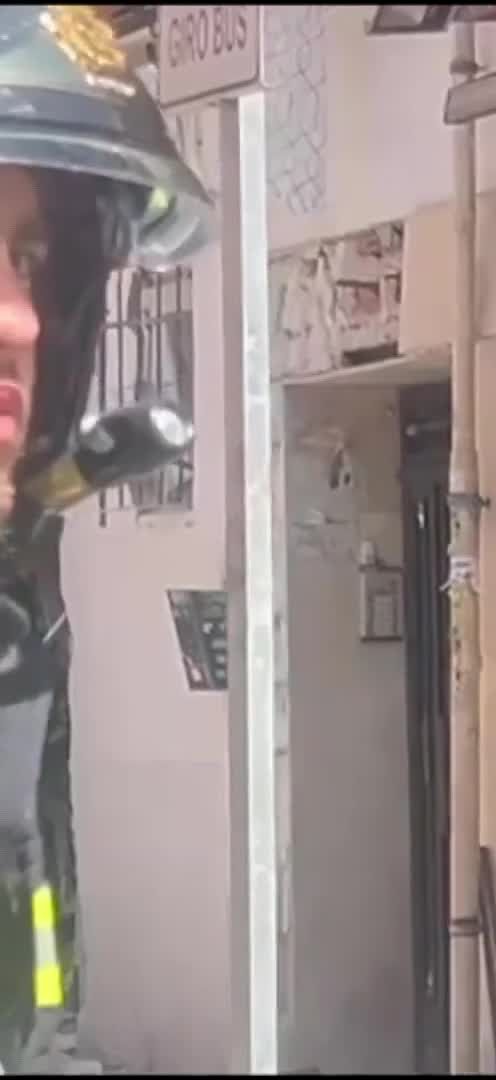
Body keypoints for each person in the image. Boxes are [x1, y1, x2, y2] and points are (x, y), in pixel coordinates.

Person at [0, 7, 213, 1071]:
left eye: (39, 262)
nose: (19, 320)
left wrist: (51, 1046)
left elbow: (35, 917)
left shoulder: (20, 607)